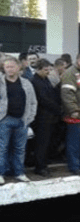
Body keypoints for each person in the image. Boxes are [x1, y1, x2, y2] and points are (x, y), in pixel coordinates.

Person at [0, 56, 38, 184]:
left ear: (18, 68)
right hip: (4, 120)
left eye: (12, 67)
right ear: (4, 68)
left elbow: (33, 102)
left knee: (20, 148)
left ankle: (19, 173)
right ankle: (1, 173)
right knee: (2, 148)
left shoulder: (26, 83)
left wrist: (30, 118)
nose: (9, 69)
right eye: (7, 67)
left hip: (22, 120)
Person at [31, 58, 61, 176]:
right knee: (41, 143)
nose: (48, 72)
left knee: (47, 142)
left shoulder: (45, 79)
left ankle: (44, 163)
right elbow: (43, 99)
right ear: (38, 69)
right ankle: (39, 166)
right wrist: (57, 108)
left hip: (49, 116)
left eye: (49, 69)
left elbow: (52, 94)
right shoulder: (35, 81)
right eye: (45, 70)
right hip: (42, 117)